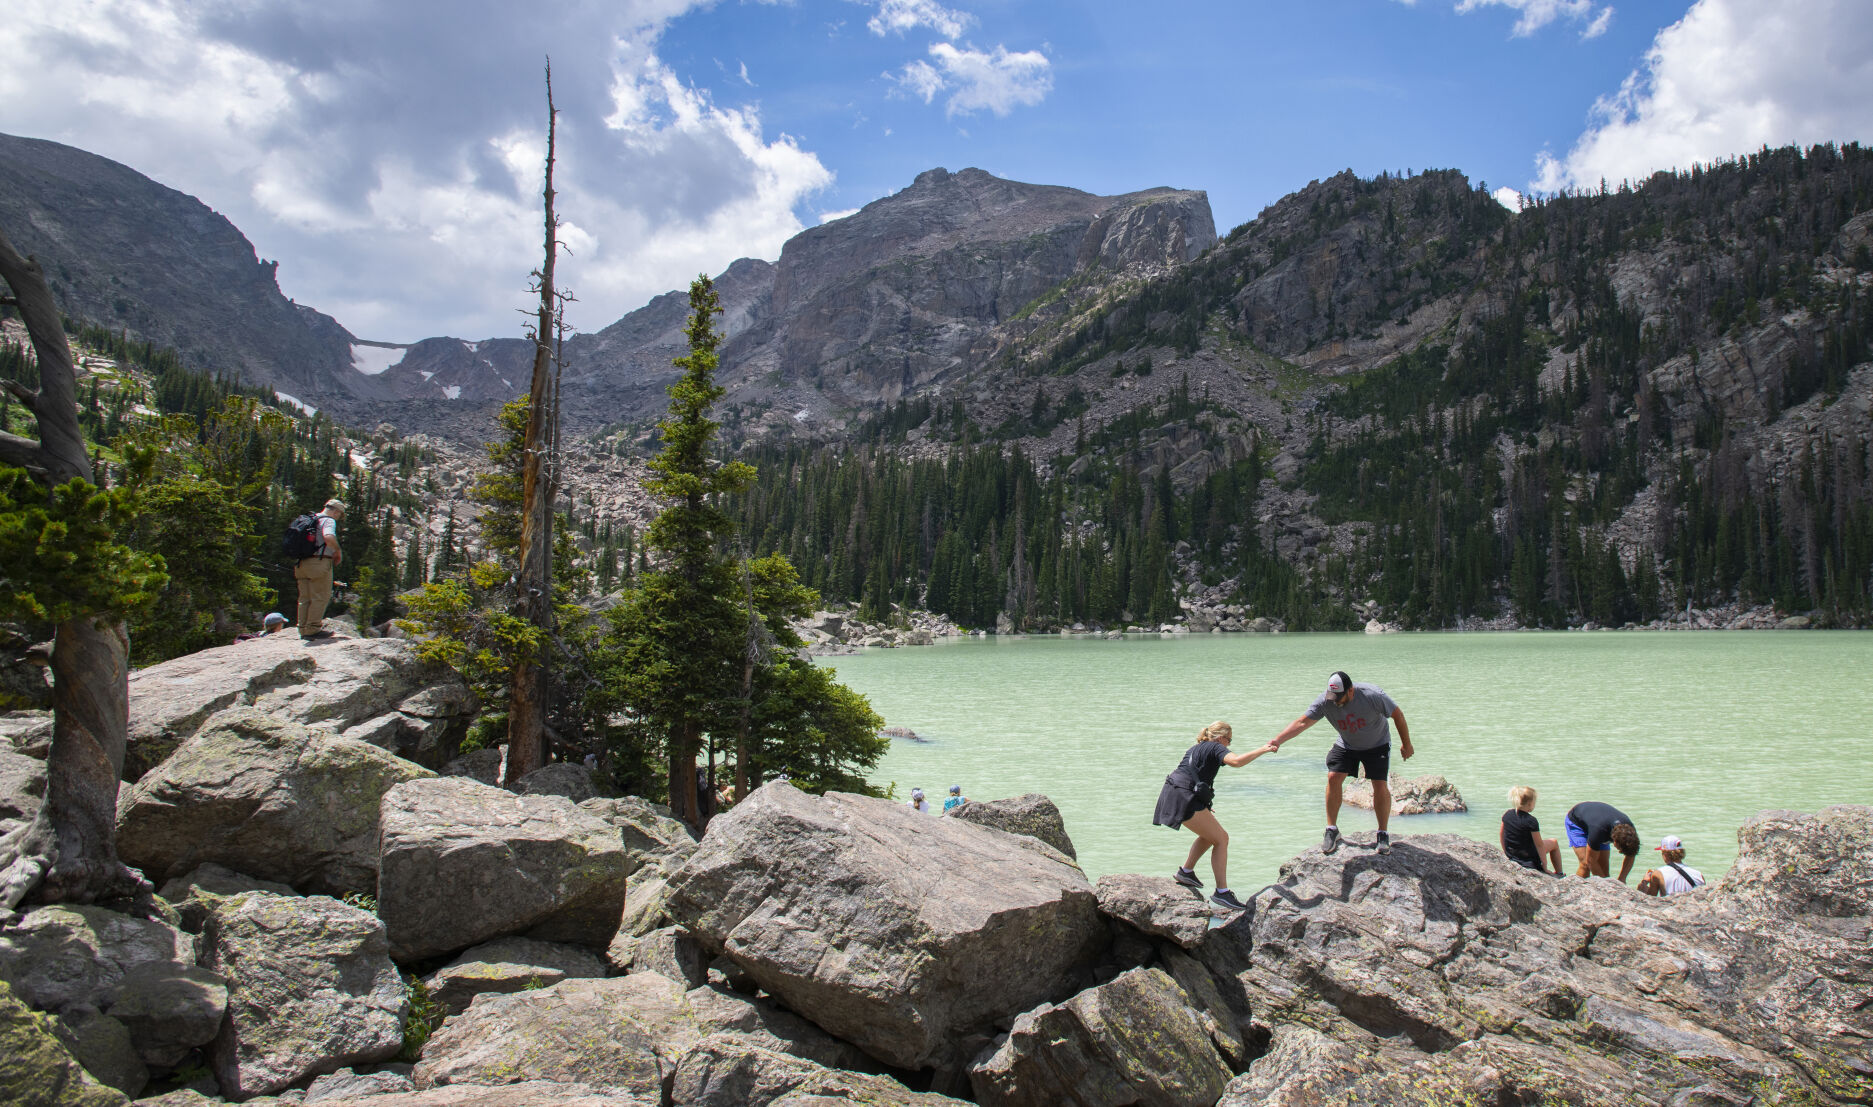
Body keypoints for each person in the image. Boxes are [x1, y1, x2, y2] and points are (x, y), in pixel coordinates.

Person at [1269, 671, 1413, 855]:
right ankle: (1332, 830)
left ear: (1351, 691)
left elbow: (1398, 715)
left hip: (1377, 743)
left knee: (1379, 783)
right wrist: (1278, 740)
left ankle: (1382, 834)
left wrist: (1406, 744)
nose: (1335, 701)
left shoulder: (1372, 695)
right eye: (1332, 696)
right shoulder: (1325, 700)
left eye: (1340, 696)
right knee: (1333, 777)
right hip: (1347, 743)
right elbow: (1303, 722)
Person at [1153, 721, 1276, 912]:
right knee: (1222, 839)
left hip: (1174, 793)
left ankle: (1186, 872)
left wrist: (1203, 804)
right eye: (1229, 740)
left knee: (1210, 836)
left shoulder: (1196, 748)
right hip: (1184, 796)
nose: (1228, 745)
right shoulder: (1215, 746)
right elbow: (1236, 761)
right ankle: (1222, 892)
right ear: (1221, 737)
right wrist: (1263, 749)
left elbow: (1191, 774)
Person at [294, 498, 346, 640]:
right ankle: (313, 629)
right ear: (336, 511)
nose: (339, 517)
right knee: (320, 596)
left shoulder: (310, 519)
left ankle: (303, 628)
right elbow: (328, 537)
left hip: (301, 564)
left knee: (304, 598)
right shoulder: (328, 520)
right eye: (340, 514)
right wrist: (337, 550)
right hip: (319, 563)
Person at [1564, 801, 1641, 881]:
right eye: (1619, 850)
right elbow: (1591, 862)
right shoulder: (1598, 831)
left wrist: (1622, 879)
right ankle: (1577, 890)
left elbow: (1631, 853)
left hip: (1599, 822)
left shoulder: (1630, 830)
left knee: (1604, 871)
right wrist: (1606, 886)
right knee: (1585, 865)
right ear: (1614, 842)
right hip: (1577, 822)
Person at [1500, 785, 1564, 875]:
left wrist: (1506, 852)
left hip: (1512, 854)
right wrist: (1544, 866)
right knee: (1554, 842)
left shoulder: (1507, 814)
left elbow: (1502, 834)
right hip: (1528, 857)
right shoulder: (1531, 821)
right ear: (1530, 804)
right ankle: (1559, 873)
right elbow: (1539, 845)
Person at [1637, 835, 1706, 896]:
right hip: (1693, 908)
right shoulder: (1699, 875)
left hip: (1671, 909)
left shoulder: (1658, 874)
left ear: (1665, 853)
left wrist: (1644, 882)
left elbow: (1649, 900)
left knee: (1640, 888)